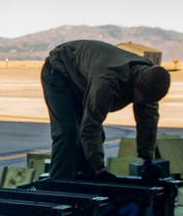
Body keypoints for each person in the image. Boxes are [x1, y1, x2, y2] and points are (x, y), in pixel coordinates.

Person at [41, 40, 171, 181]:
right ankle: (59, 184)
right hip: (59, 70)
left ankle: (83, 178)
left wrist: (148, 160)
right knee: (68, 130)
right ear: (136, 86)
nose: (142, 103)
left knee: (95, 138)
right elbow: (90, 127)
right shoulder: (107, 81)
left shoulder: (151, 81)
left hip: (83, 75)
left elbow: (148, 121)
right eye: (142, 99)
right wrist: (100, 170)